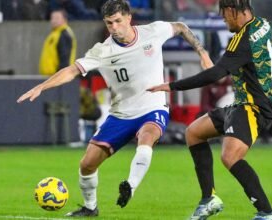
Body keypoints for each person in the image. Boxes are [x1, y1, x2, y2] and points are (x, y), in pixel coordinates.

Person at [17, 0, 212, 217]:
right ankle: (90, 208)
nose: (115, 28)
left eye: (118, 21)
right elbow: (72, 70)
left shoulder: (152, 32)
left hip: (152, 107)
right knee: (87, 164)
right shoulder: (103, 51)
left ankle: (131, 185)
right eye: (109, 23)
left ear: (129, 18)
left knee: (147, 137)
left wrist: (202, 54)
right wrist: (43, 86)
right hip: (120, 114)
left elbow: (181, 27)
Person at [147, 0, 272, 219]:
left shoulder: (241, 41)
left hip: (255, 107)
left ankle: (267, 213)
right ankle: (208, 199)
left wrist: (172, 86)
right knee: (193, 133)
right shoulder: (264, 25)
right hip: (241, 104)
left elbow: (215, 74)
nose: (223, 20)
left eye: (224, 15)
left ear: (233, 11)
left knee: (230, 156)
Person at [39, 10, 77, 76]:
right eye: (52, 18)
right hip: (51, 77)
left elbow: (65, 58)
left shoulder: (64, 34)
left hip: (58, 78)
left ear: (65, 20)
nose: (54, 20)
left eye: (57, 18)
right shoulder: (55, 34)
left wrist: (59, 77)